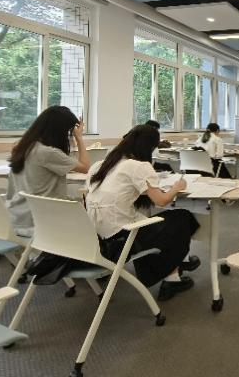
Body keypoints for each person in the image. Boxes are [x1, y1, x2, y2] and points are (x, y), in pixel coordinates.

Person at [86, 125, 200, 301]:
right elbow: (161, 201)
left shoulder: (100, 165)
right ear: (149, 147)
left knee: (157, 221)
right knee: (182, 217)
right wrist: (177, 187)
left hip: (98, 238)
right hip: (122, 240)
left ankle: (179, 264)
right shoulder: (138, 166)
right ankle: (173, 275)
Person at [6, 106, 90, 236]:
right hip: (39, 222)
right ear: (59, 131)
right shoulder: (48, 153)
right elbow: (85, 167)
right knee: (89, 214)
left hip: (16, 218)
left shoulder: (21, 146)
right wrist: (79, 138)